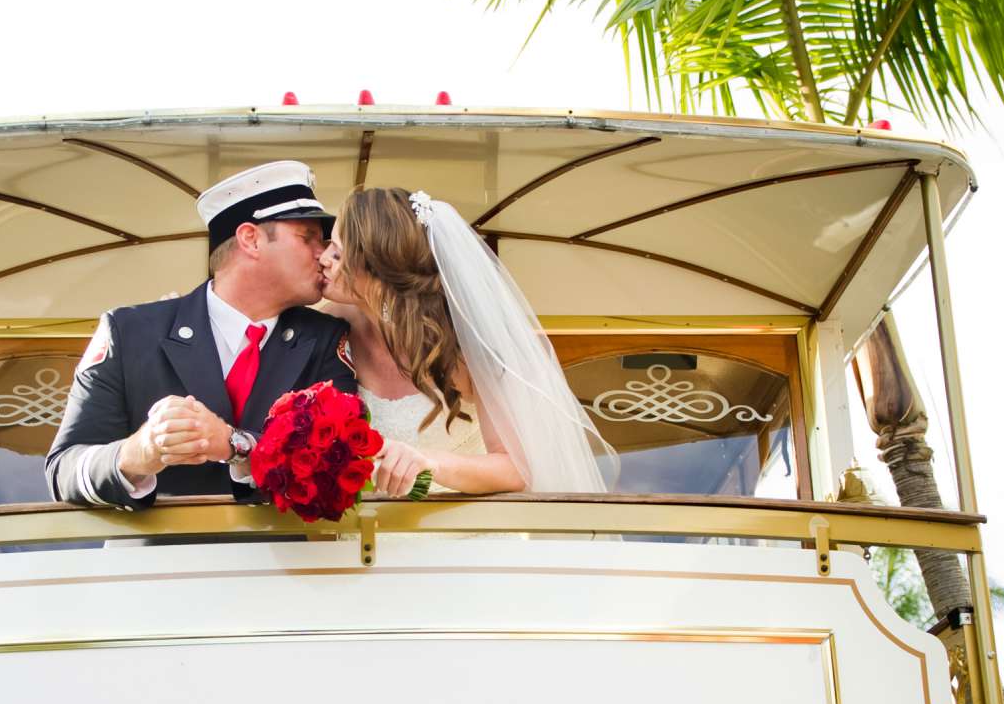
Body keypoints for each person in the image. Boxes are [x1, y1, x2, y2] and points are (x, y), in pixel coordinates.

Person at [45, 161, 356, 509]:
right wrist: (138, 453)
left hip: (284, 560)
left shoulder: (329, 340)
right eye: (309, 237)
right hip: (153, 561)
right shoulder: (128, 331)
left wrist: (234, 445)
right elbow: (62, 472)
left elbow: (337, 465)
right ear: (250, 239)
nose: (325, 253)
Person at [323, 186, 613, 495]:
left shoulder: (470, 342)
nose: (323, 258)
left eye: (338, 253)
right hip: (368, 533)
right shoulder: (330, 326)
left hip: (465, 529)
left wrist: (431, 463)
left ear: (380, 271)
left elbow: (518, 468)